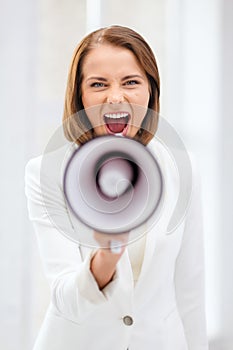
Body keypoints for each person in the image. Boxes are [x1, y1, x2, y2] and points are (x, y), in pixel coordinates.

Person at [25, 25, 209, 350]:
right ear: (79, 96)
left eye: (131, 82)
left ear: (151, 91)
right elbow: (66, 301)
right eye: (98, 84)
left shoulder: (183, 168)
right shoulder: (46, 173)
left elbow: (190, 289)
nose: (115, 96)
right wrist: (105, 259)